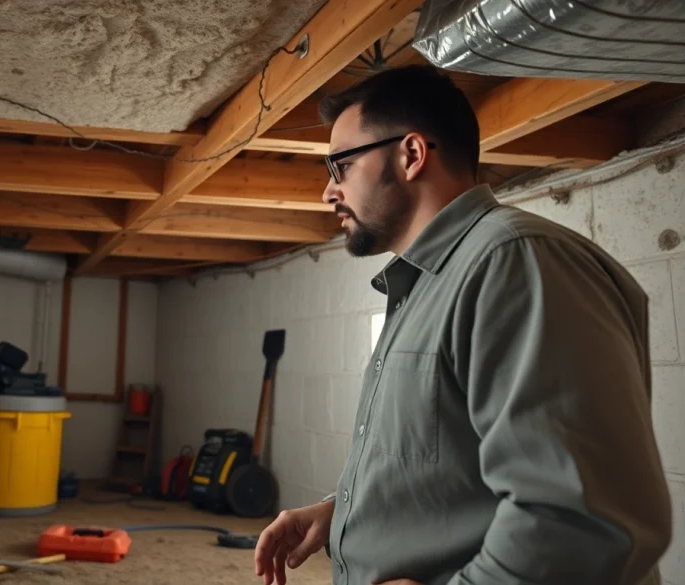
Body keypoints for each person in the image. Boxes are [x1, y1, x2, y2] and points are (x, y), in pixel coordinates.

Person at [254, 65, 672, 585]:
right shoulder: (426, 284)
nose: (327, 192)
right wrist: (344, 513)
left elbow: (580, 518)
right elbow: (450, 466)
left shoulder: (514, 263)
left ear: (410, 155)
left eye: (340, 166)